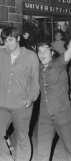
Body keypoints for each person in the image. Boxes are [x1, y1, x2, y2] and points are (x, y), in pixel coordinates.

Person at [37, 19, 71, 161]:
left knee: (70, 148)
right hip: (45, 116)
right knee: (42, 151)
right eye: (39, 51)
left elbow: (70, 51)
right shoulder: (38, 68)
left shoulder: (59, 64)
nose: (42, 54)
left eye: (45, 51)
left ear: (51, 52)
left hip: (63, 115)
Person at [0, 26, 40, 161]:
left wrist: (31, 98)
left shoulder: (31, 56)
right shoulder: (1, 54)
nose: (7, 44)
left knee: (22, 137)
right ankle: (6, 158)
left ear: (18, 39)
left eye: (10, 40)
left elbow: (36, 82)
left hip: (22, 105)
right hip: (2, 104)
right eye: (4, 40)